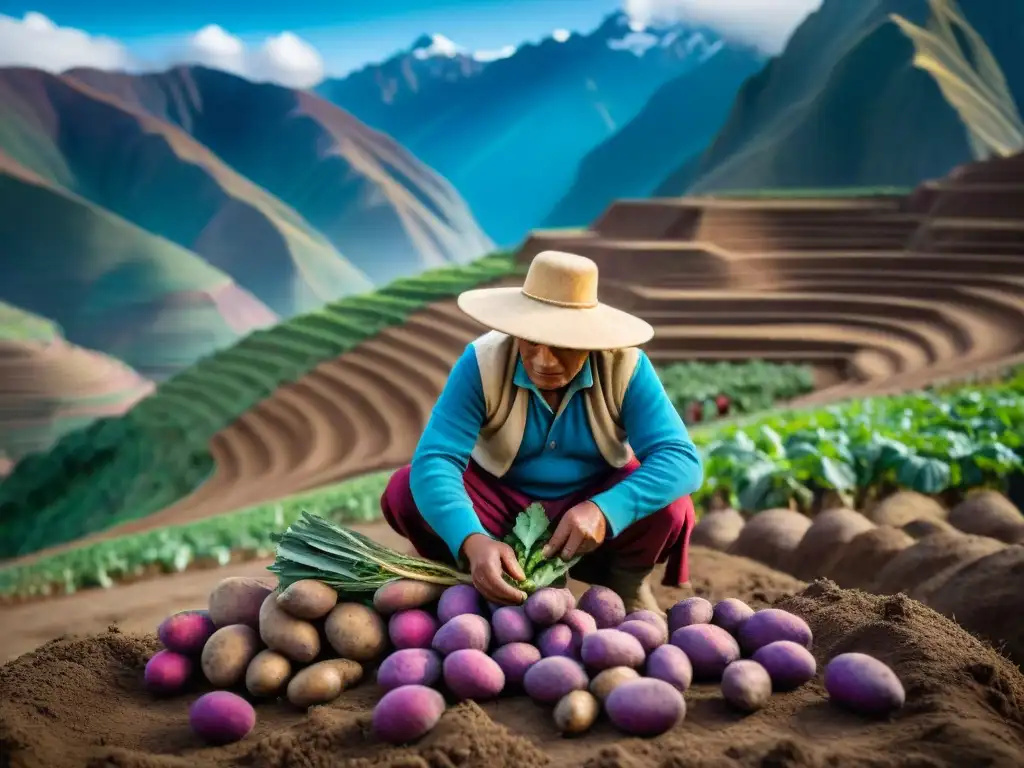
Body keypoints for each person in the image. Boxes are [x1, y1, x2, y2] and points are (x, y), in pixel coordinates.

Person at [380, 250, 703, 614]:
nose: (544, 360)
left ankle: (625, 583)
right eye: (531, 340)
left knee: (673, 506)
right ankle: (475, 570)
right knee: (406, 489)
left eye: (563, 344)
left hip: (594, 507)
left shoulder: (625, 367)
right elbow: (436, 458)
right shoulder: (482, 362)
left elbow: (681, 460)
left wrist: (604, 509)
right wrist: (471, 539)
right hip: (498, 503)